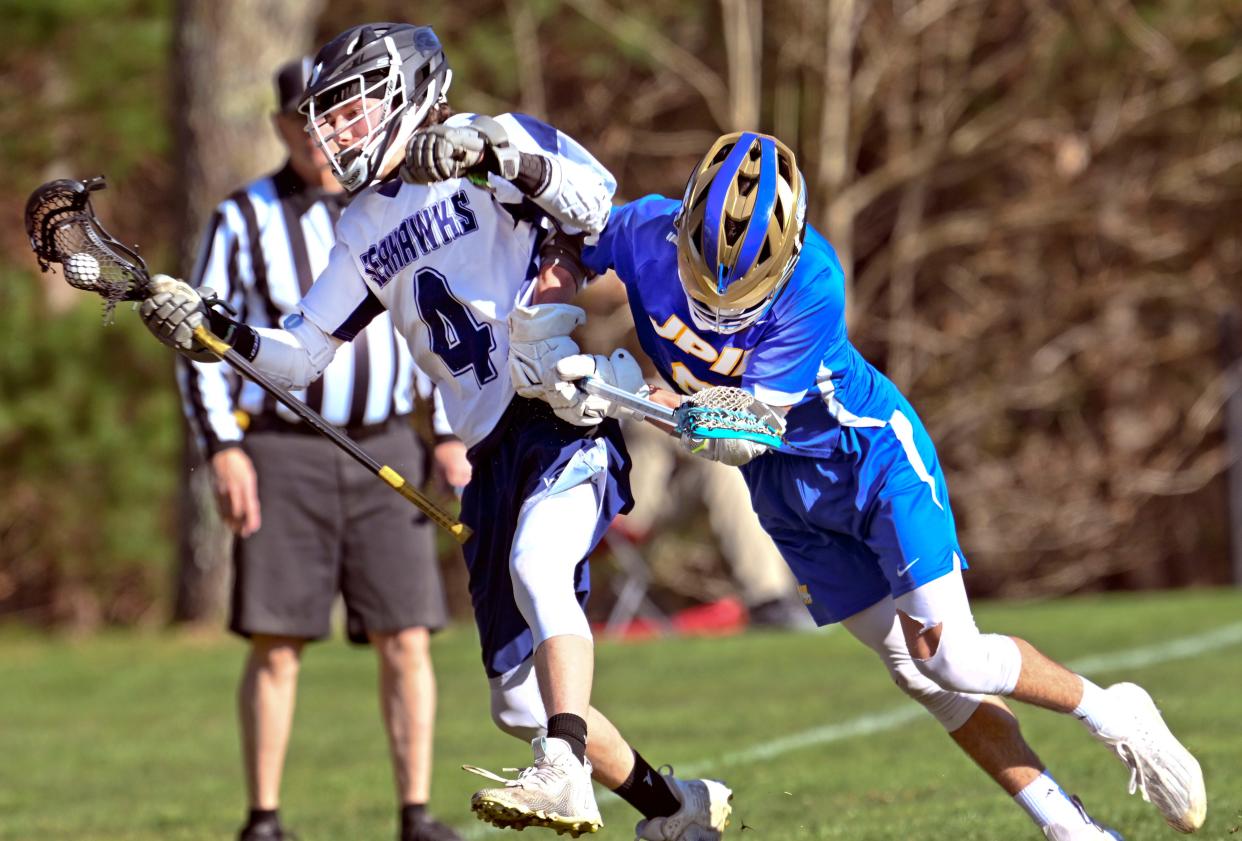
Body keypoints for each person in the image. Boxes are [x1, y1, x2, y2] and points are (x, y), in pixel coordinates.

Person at [141, 23, 732, 841]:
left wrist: (489, 157)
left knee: (537, 565)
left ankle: (564, 769)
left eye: (350, 109)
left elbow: (598, 204)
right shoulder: (361, 228)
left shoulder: (495, 139)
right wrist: (214, 328)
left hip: (557, 410)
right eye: (329, 116)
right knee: (519, 700)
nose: (336, 132)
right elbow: (301, 357)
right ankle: (675, 809)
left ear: (407, 91)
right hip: (487, 452)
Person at [547, 131, 1207, 841]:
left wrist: (632, 396)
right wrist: (548, 336)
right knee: (920, 677)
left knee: (954, 655)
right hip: (784, 494)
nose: (718, 299)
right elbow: (561, 250)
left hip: (868, 460)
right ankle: (1070, 826)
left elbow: (747, 428)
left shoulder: (815, 281)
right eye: (703, 271)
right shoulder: (645, 229)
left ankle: (1114, 713)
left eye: (742, 284)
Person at [176, 57, 468, 841]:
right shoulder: (242, 218)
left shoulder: (397, 205)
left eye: (341, 114)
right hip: (283, 453)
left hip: (384, 445)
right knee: (277, 641)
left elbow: (438, 320)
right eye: (309, 118)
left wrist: (447, 430)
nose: (327, 133)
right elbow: (201, 340)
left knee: (407, 633)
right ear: (282, 127)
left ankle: (415, 811)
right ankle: (264, 818)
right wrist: (223, 447)